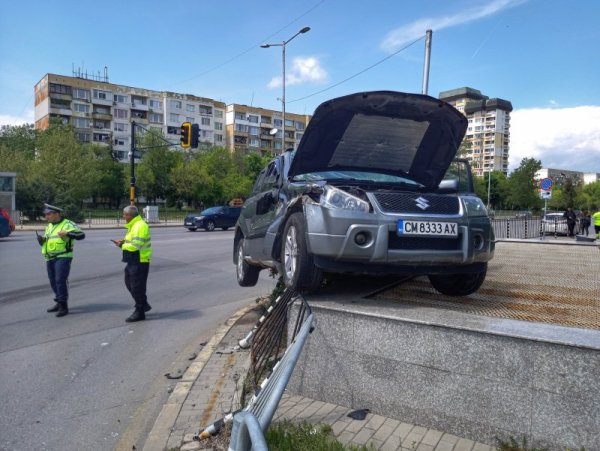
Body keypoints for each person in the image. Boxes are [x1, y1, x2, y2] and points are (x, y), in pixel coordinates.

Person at [37, 203, 85, 317]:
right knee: (53, 280)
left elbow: (82, 235)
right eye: (46, 215)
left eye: (48, 214)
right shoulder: (50, 225)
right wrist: (42, 240)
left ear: (56, 214)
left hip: (63, 256)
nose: (46, 217)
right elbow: (50, 239)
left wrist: (68, 233)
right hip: (50, 257)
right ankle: (59, 302)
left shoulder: (67, 224)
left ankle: (63, 306)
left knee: (60, 280)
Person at [113, 205, 152, 322]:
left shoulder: (140, 225)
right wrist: (124, 241)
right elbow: (133, 240)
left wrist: (122, 245)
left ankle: (140, 311)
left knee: (137, 287)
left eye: (124, 215)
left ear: (130, 215)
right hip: (133, 260)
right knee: (129, 283)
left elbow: (136, 245)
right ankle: (144, 304)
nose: (123, 217)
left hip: (140, 260)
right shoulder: (134, 225)